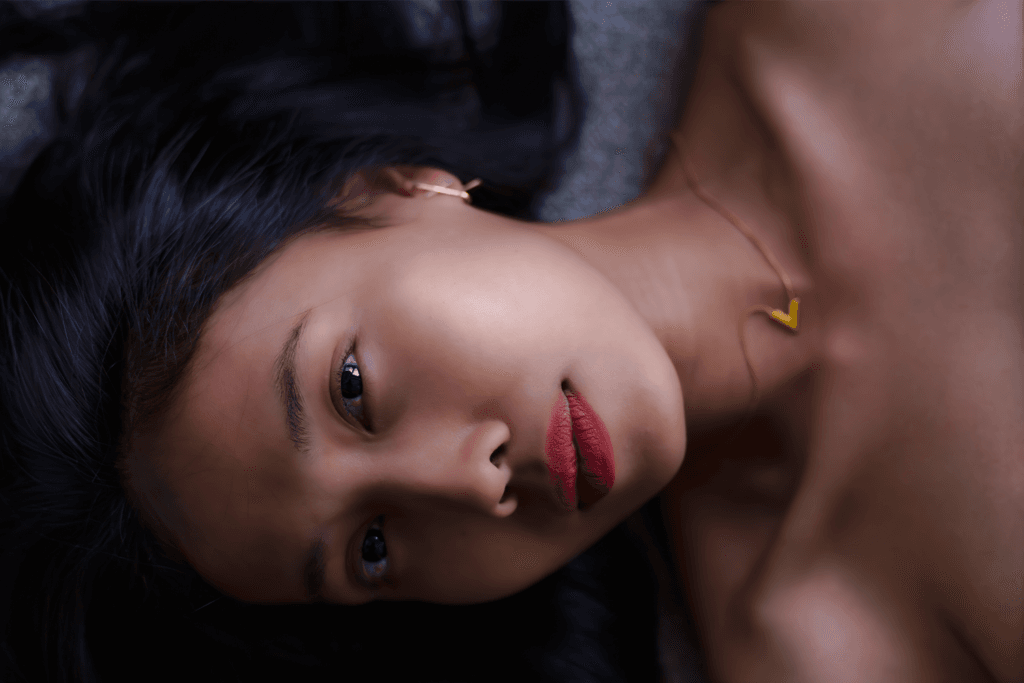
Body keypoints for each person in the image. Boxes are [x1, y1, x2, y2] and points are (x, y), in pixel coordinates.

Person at [3, 1, 1021, 682]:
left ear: (390, 186)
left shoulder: (857, 25)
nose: (468, 481)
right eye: (372, 547)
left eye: (352, 388)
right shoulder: (822, 640)